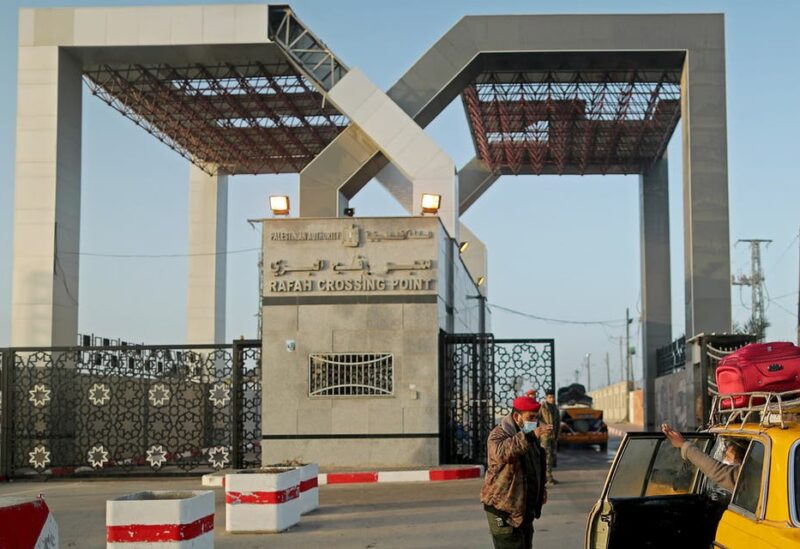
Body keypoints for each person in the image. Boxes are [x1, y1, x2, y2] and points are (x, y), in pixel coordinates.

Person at [481, 394, 551, 549]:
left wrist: (541, 490)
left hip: (523, 510)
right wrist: (530, 436)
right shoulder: (499, 434)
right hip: (504, 509)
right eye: (531, 417)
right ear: (516, 416)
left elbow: (534, 466)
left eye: (536, 417)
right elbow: (502, 453)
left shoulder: (528, 437)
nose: (534, 421)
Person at [661, 423, 744, 492]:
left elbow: (718, 471)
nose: (725, 460)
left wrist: (683, 444)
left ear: (741, 460)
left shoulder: (747, 477)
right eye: (724, 456)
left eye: (728, 457)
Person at [537, 389, 561, 485]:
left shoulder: (555, 408)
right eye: (550, 397)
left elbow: (558, 422)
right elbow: (537, 418)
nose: (552, 399)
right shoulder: (542, 407)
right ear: (546, 398)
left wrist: (557, 435)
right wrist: (543, 427)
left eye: (553, 397)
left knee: (551, 457)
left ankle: (549, 476)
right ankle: (546, 477)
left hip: (553, 435)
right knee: (546, 456)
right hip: (545, 436)